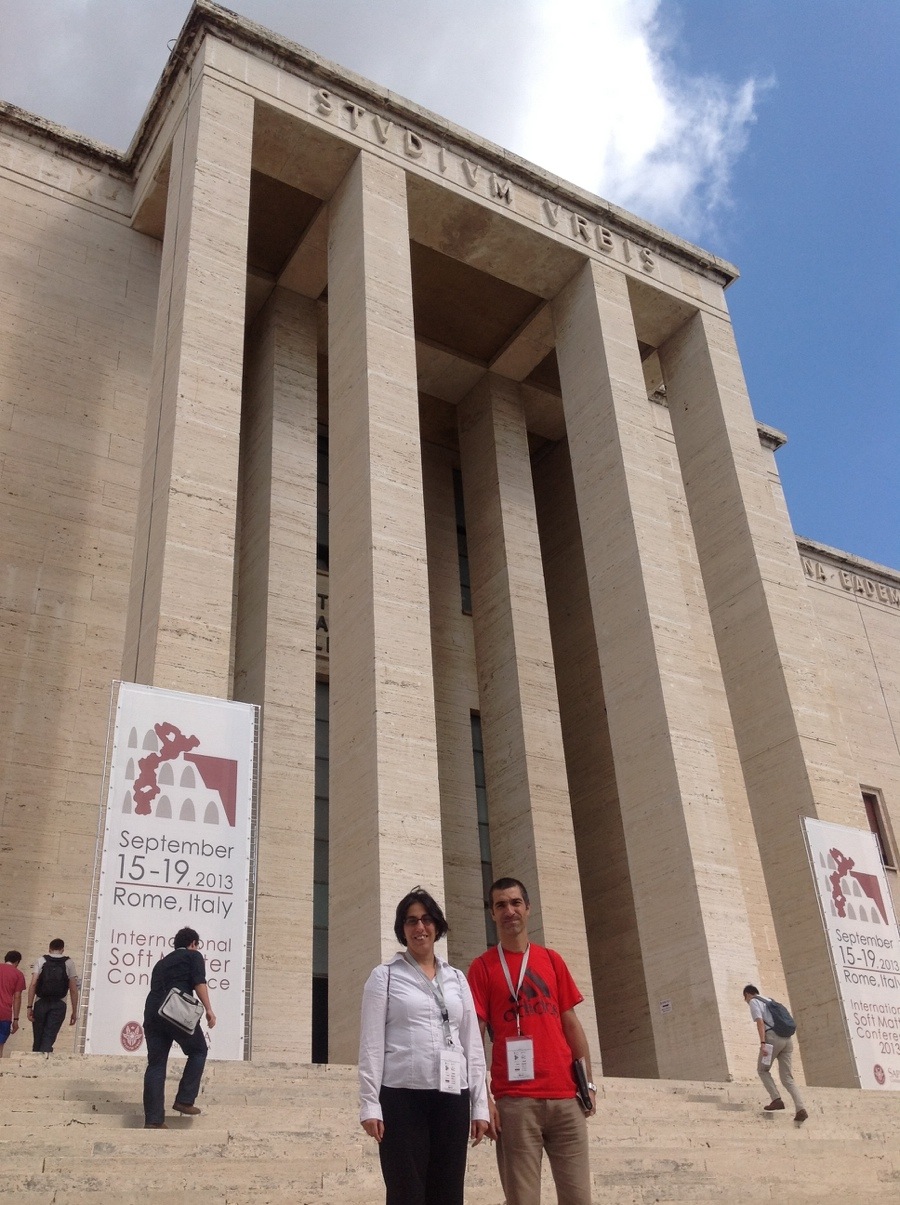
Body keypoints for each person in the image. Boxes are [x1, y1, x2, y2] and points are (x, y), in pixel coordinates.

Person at [468, 877, 597, 1205]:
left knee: (579, 1199)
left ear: (528, 908)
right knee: (522, 1200)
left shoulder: (551, 960)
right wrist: (482, 1099)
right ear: (492, 914)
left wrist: (589, 1085)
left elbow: (571, 1024)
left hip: (566, 1099)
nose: (509, 911)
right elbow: (474, 1037)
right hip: (515, 1103)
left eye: (515, 903)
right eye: (500, 905)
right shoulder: (482, 968)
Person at [358, 887, 490, 1205]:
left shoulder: (456, 978)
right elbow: (371, 1045)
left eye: (427, 919)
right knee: (406, 1193)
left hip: (451, 1098)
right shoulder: (384, 977)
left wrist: (480, 1104)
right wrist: (369, 1103)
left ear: (437, 925)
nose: (420, 927)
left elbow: (472, 1044)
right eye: (411, 920)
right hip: (402, 1098)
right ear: (402, 929)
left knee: (448, 1193)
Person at [142, 927, 216, 1129]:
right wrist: (209, 1009)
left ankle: (154, 1120)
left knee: (156, 1065)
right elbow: (199, 983)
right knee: (199, 1050)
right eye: (197, 945)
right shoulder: (194, 956)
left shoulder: (160, 963)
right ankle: (184, 1099)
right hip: (176, 1011)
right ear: (193, 943)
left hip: (152, 1014)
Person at [743, 984, 808, 1123]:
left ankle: (776, 1099)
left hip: (772, 1039)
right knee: (787, 1078)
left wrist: (762, 1043)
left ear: (748, 994)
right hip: (787, 1040)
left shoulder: (754, 1001)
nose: (746, 1001)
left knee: (762, 1070)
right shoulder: (769, 1000)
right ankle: (800, 1108)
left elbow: (760, 1023)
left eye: (745, 998)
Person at [27, 938, 78, 1053]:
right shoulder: (68, 963)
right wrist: (74, 1011)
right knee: (49, 1037)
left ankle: (34, 1059)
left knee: (38, 1037)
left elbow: (33, 984)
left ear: (49, 948)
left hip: (40, 1002)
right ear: (62, 949)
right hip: (59, 1004)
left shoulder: (41, 960)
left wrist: (29, 1007)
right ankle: (44, 1058)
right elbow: (73, 989)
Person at [0, 951, 26, 1057]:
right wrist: (16, 1019)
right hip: (4, 1013)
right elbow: (17, 997)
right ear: (17, 962)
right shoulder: (18, 974)